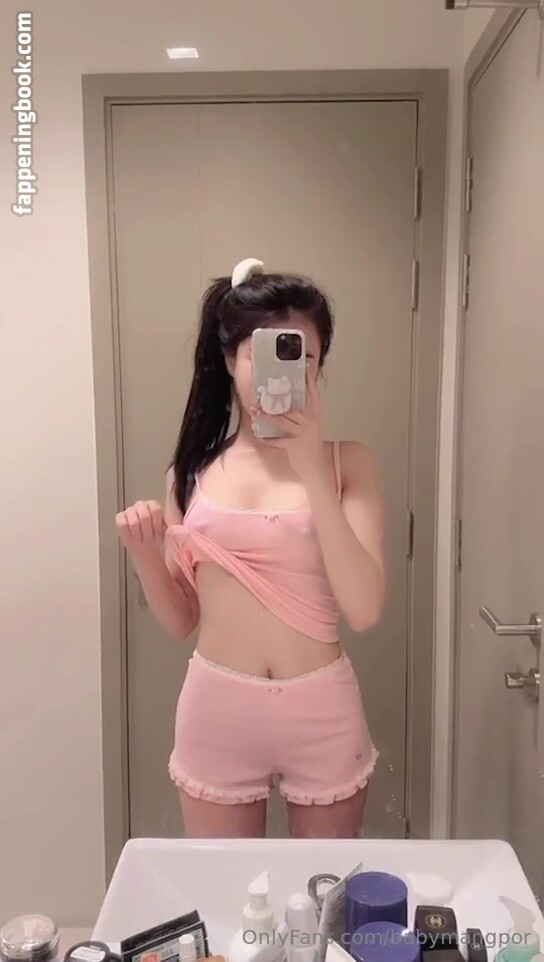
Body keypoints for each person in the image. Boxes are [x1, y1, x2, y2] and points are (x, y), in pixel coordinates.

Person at [115, 257, 386, 839]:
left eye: (303, 356)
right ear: (230, 361)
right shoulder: (190, 475)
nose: (285, 371)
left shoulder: (348, 464)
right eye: (261, 354)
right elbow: (182, 620)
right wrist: (145, 554)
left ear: (318, 366)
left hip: (322, 709)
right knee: (224, 887)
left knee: (324, 889)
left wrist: (311, 468)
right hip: (218, 707)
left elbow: (364, 610)